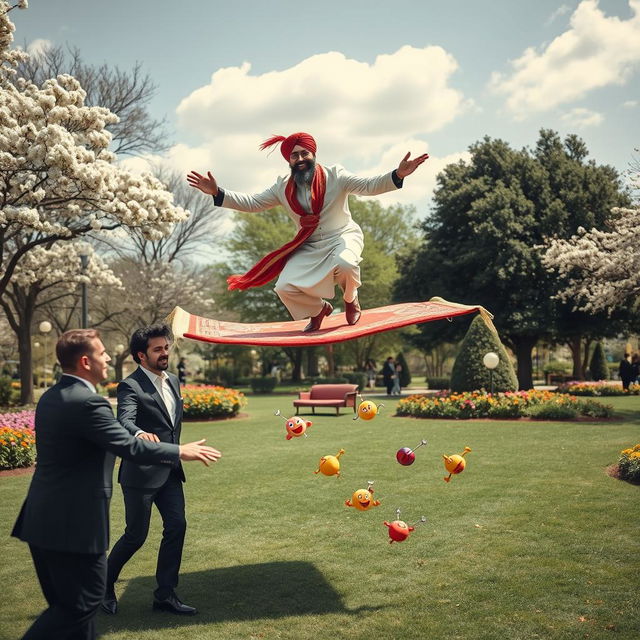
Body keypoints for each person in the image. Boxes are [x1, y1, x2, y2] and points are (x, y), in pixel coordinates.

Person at [11, 329, 221, 640]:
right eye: (101, 353)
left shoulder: (52, 397)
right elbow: (127, 439)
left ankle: (165, 593)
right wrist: (179, 450)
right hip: (74, 524)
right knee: (79, 606)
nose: (109, 357)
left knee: (71, 611)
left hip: (42, 519)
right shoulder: (89, 402)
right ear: (85, 361)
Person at [187, 132, 428, 332]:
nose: (300, 158)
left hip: (342, 235)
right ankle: (318, 310)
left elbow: (367, 186)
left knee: (346, 264)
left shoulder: (336, 175)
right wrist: (217, 192)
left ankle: (350, 299)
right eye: (294, 155)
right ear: (288, 161)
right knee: (283, 288)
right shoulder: (281, 187)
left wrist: (398, 175)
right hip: (310, 245)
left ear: (313, 155)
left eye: (305, 153)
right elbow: (252, 203)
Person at [104, 325, 197, 616]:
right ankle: (102, 586)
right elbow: (125, 420)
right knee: (135, 535)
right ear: (141, 356)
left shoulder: (173, 381)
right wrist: (138, 432)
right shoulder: (130, 386)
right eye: (158, 349)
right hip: (140, 475)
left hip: (170, 471)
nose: (165, 353)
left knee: (177, 526)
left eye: (166, 347)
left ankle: (165, 595)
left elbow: (170, 425)